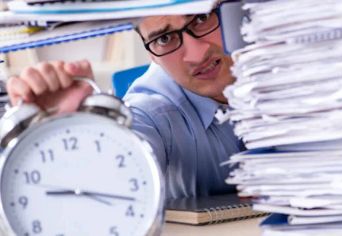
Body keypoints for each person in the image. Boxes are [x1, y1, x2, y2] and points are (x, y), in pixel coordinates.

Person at [6, 8, 245, 199]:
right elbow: (117, 165)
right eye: (165, 38)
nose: (196, 55)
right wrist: (70, 138)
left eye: (201, 19)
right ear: (150, 54)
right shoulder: (154, 110)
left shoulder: (277, 55)